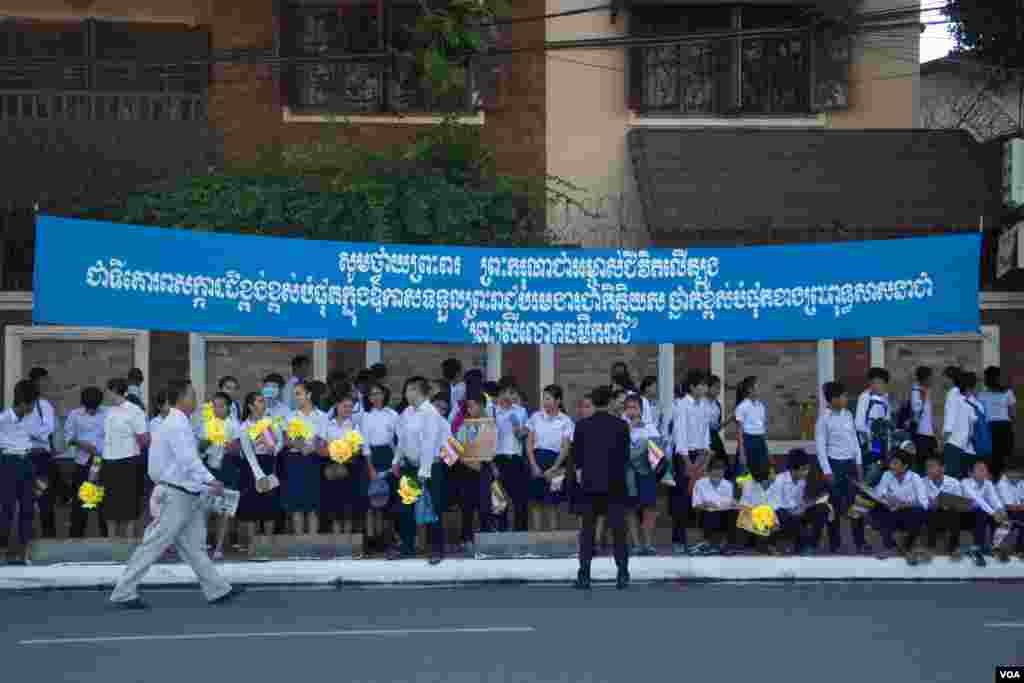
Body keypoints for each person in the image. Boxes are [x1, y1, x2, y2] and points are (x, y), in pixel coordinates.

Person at [109, 379, 243, 610]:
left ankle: (218, 589)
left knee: (193, 548)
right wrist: (210, 480)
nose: (196, 399)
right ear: (181, 398)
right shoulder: (176, 424)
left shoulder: (176, 422)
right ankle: (123, 592)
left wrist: (203, 486)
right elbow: (187, 460)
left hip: (184, 493)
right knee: (153, 544)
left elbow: (177, 464)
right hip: (176, 495)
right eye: (192, 394)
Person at [572, 386, 630, 590]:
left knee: (587, 531)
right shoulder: (622, 426)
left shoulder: (581, 426)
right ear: (610, 402)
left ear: (594, 403)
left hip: (589, 484)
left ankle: (584, 575)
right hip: (614, 484)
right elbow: (625, 457)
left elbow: (576, 458)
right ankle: (622, 573)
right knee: (618, 532)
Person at [390, 377, 449, 564]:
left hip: (430, 468)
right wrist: (396, 460)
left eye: (409, 390)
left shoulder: (430, 413)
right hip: (410, 466)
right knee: (405, 508)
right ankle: (408, 546)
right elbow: (402, 440)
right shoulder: (407, 413)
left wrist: (424, 472)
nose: (406, 394)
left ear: (418, 391)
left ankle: (436, 550)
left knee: (433, 509)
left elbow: (429, 443)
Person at [816, 381, 870, 555]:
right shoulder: (823, 419)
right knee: (834, 507)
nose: (846, 399)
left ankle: (860, 542)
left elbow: (855, 441)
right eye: (843, 396)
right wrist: (827, 471)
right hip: (834, 465)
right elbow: (820, 447)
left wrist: (859, 464)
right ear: (833, 399)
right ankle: (835, 544)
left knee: (858, 504)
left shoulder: (848, 415)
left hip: (850, 466)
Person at [103, 378, 150, 540]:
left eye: (108, 390)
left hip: (129, 460)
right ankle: (111, 540)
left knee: (129, 501)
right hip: (109, 461)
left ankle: (128, 541)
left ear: (114, 390)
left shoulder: (134, 411)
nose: (106, 394)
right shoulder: (108, 411)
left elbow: (144, 438)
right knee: (109, 502)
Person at [197, 392, 242, 560]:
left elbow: (238, 449)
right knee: (205, 508)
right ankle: (201, 545)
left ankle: (219, 546)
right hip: (209, 469)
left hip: (227, 469)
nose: (217, 409)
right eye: (214, 405)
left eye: (221, 405)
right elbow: (200, 449)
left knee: (224, 510)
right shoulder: (206, 424)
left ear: (228, 407)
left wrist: (226, 444)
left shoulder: (234, 425)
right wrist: (207, 441)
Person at [237, 391, 284, 551]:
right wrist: (259, 476)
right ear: (250, 406)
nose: (263, 404)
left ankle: (268, 545)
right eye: (260, 401)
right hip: (252, 467)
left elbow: (280, 443)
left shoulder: (270, 422)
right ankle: (253, 546)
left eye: (263, 401)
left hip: (269, 463)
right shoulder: (244, 426)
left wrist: (273, 448)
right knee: (252, 507)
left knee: (269, 506)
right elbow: (248, 453)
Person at [670, 370, 710, 555]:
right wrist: (687, 462)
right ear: (692, 387)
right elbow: (681, 434)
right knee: (682, 499)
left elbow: (705, 433)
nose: (705, 388)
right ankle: (678, 539)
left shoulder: (704, 405)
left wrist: (702, 458)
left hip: (699, 455)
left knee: (699, 497)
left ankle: (701, 539)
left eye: (706, 385)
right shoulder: (681, 405)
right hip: (684, 456)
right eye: (701, 384)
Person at [451, 386, 495, 553]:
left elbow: (486, 452)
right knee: (466, 505)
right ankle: (466, 538)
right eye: (467, 407)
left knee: (484, 505)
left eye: (472, 406)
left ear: (482, 406)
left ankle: (486, 538)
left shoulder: (489, 424)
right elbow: (456, 447)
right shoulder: (464, 425)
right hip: (466, 470)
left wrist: (466, 453)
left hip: (483, 469)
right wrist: (465, 454)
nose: (469, 410)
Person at [0, 380, 39, 564]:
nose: (33, 408)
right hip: (8, 462)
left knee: (27, 509)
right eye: (31, 405)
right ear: (24, 404)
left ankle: (24, 552)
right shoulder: (3, 419)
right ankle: (3, 551)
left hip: (27, 462)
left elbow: (38, 438)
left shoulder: (32, 419)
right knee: (5, 509)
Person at [281, 382, 327, 535]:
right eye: (295, 394)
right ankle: (299, 542)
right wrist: (302, 447)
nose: (297, 397)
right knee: (297, 503)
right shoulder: (291, 416)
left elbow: (322, 439)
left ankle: (312, 542)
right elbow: (287, 439)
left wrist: (312, 447)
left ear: (309, 395)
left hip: (314, 460)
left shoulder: (322, 416)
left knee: (313, 503)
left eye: (299, 393)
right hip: (295, 461)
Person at [526, 385, 573, 532]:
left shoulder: (566, 421)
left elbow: (565, 447)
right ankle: (537, 536)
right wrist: (533, 465)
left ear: (558, 400)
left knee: (552, 503)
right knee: (535, 502)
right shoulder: (535, 417)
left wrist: (555, 468)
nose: (545, 402)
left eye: (548, 398)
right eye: (543, 398)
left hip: (556, 463)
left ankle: (553, 537)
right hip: (537, 460)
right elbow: (529, 443)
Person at [320, 393, 369, 537]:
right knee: (333, 506)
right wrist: (334, 455)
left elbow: (358, 449)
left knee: (349, 507)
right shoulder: (328, 425)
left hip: (350, 468)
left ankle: (349, 543)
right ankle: (336, 542)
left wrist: (344, 456)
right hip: (331, 467)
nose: (348, 409)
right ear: (337, 406)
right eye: (344, 406)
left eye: (350, 407)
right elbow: (320, 447)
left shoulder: (354, 426)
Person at [871, 446, 928, 564]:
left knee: (918, 512)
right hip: (893, 512)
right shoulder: (887, 474)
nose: (892, 466)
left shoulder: (915, 477)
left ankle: (908, 548)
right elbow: (879, 492)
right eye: (891, 463)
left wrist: (904, 504)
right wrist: (887, 497)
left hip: (909, 513)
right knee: (876, 508)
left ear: (905, 466)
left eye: (895, 463)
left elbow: (924, 503)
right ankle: (890, 546)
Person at [65, 387, 107, 539]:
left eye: (94, 409)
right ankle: (76, 537)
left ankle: (105, 537)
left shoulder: (107, 414)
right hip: (83, 462)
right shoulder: (74, 415)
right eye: (89, 409)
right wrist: (82, 444)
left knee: (102, 502)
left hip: (101, 462)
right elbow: (68, 438)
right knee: (81, 502)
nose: (92, 411)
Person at [768, 450, 829, 556]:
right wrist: (799, 509)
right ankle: (799, 546)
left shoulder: (801, 481)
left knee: (822, 509)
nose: (807, 472)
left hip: (794, 513)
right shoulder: (779, 481)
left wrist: (812, 503)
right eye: (804, 469)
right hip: (777, 518)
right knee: (788, 516)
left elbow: (798, 503)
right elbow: (777, 510)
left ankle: (812, 545)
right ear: (793, 470)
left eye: (807, 469)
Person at [361, 383, 400, 551]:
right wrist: (370, 467)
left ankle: (387, 539)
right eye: (372, 394)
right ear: (369, 398)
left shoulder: (393, 414)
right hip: (372, 457)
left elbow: (399, 440)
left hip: (389, 456)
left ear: (384, 395)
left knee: (388, 501)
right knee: (372, 502)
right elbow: (365, 444)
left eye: (379, 393)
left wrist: (396, 462)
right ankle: (371, 540)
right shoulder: (365, 416)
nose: (376, 397)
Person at [624, 394, 660, 556]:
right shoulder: (621, 426)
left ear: (641, 409)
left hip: (646, 472)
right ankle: (636, 544)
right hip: (628, 472)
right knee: (630, 508)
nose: (632, 411)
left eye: (635, 408)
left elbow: (657, 450)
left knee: (649, 508)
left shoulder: (649, 427)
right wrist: (630, 429)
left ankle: (648, 543)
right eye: (629, 408)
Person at [23, 367, 57, 538]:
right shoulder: (20, 405)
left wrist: (29, 433)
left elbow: (48, 429)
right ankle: (28, 536)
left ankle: (48, 536)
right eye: (44, 381)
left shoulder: (43, 405)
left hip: (41, 457)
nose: (46, 384)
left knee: (44, 495)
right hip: (26, 456)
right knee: (26, 497)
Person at [493, 384, 529, 532]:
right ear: (500, 395)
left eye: (511, 393)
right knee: (500, 497)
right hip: (498, 458)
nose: (508, 396)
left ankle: (520, 531)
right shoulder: (493, 411)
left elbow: (523, 436)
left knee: (519, 498)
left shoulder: (521, 411)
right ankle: (501, 530)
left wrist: (516, 427)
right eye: (505, 393)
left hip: (515, 458)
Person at [961, 459, 1008, 567]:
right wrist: (994, 513)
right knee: (980, 511)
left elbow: (994, 499)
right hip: (963, 516)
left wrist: (1001, 510)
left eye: (985, 469)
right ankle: (977, 550)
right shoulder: (965, 482)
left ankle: (994, 546)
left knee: (1003, 515)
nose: (984, 471)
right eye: (980, 469)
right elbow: (977, 500)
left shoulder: (988, 483)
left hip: (982, 513)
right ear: (970, 473)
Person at [692, 457, 738, 556]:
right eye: (715, 470)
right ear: (709, 471)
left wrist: (733, 503)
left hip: (723, 513)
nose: (718, 473)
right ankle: (710, 544)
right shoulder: (700, 483)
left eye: (721, 470)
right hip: (705, 513)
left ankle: (725, 545)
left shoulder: (728, 485)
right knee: (711, 514)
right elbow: (695, 504)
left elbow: (729, 502)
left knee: (734, 513)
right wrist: (705, 504)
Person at [922, 455, 964, 560]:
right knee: (930, 511)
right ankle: (930, 547)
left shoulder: (954, 482)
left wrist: (945, 502)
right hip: (930, 516)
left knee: (954, 512)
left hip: (949, 516)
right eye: (927, 467)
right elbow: (920, 502)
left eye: (931, 466)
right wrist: (932, 504)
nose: (928, 470)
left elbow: (961, 503)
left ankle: (954, 547)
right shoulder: (921, 482)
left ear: (943, 468)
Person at [979, 366, 1016, 481]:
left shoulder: (982, 395)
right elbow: (1012, 413)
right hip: (1004, 427)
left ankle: (992, 480)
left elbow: (981, 414)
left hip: (989, 427)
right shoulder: (1008, 392)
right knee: (1002, 457)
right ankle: (998, 480)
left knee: (991, 457)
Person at [855, 367, 891, 484]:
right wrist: (871, 440)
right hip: (869, 442)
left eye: (882, 383)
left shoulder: (885, 399)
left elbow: (887, 423)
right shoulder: (865, 397)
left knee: (881, 469)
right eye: (877, 383)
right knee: (874, 467)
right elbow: (859, 424)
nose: (879, 386)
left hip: (882, 442)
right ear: (870, 383)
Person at [943, 371, 979, 480]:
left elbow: (950, 421)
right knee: (963, 479)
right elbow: (972, 427)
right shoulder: (972, 402)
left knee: (951, 479)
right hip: (966, 446)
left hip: (953, 443)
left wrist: (944, 441)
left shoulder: (953, 396)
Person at [734, 375, 768, 474]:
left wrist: (766, 450)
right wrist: (741, 453)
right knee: (744, 478)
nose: (759, 389)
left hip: (760, 442)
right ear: (750, 389)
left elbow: (762, 429)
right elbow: (739, 432)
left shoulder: (761, 406)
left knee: (760, 476)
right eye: (757, 386)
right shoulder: (742, 407)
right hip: (747, 442)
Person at [995, 458, 1024, 560]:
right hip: (1003, 512)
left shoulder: (1021, 482)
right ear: (1007, 472)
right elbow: (1010, 506)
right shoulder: (1002, 484)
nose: (1018, 476)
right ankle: (999, 549)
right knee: (1011, 519)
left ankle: (1020, 549)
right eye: (1014, 473)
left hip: (1018, 510)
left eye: (1020, 474)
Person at [909, 366, 936, 472]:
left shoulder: (926, 390)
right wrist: (923, 398)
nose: (932, 379)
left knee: (931, 463)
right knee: (922, 464)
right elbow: (916, 410)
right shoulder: (917, 391)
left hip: (929, 433)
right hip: (921, 433)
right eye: (930, 377)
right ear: (925, 378)